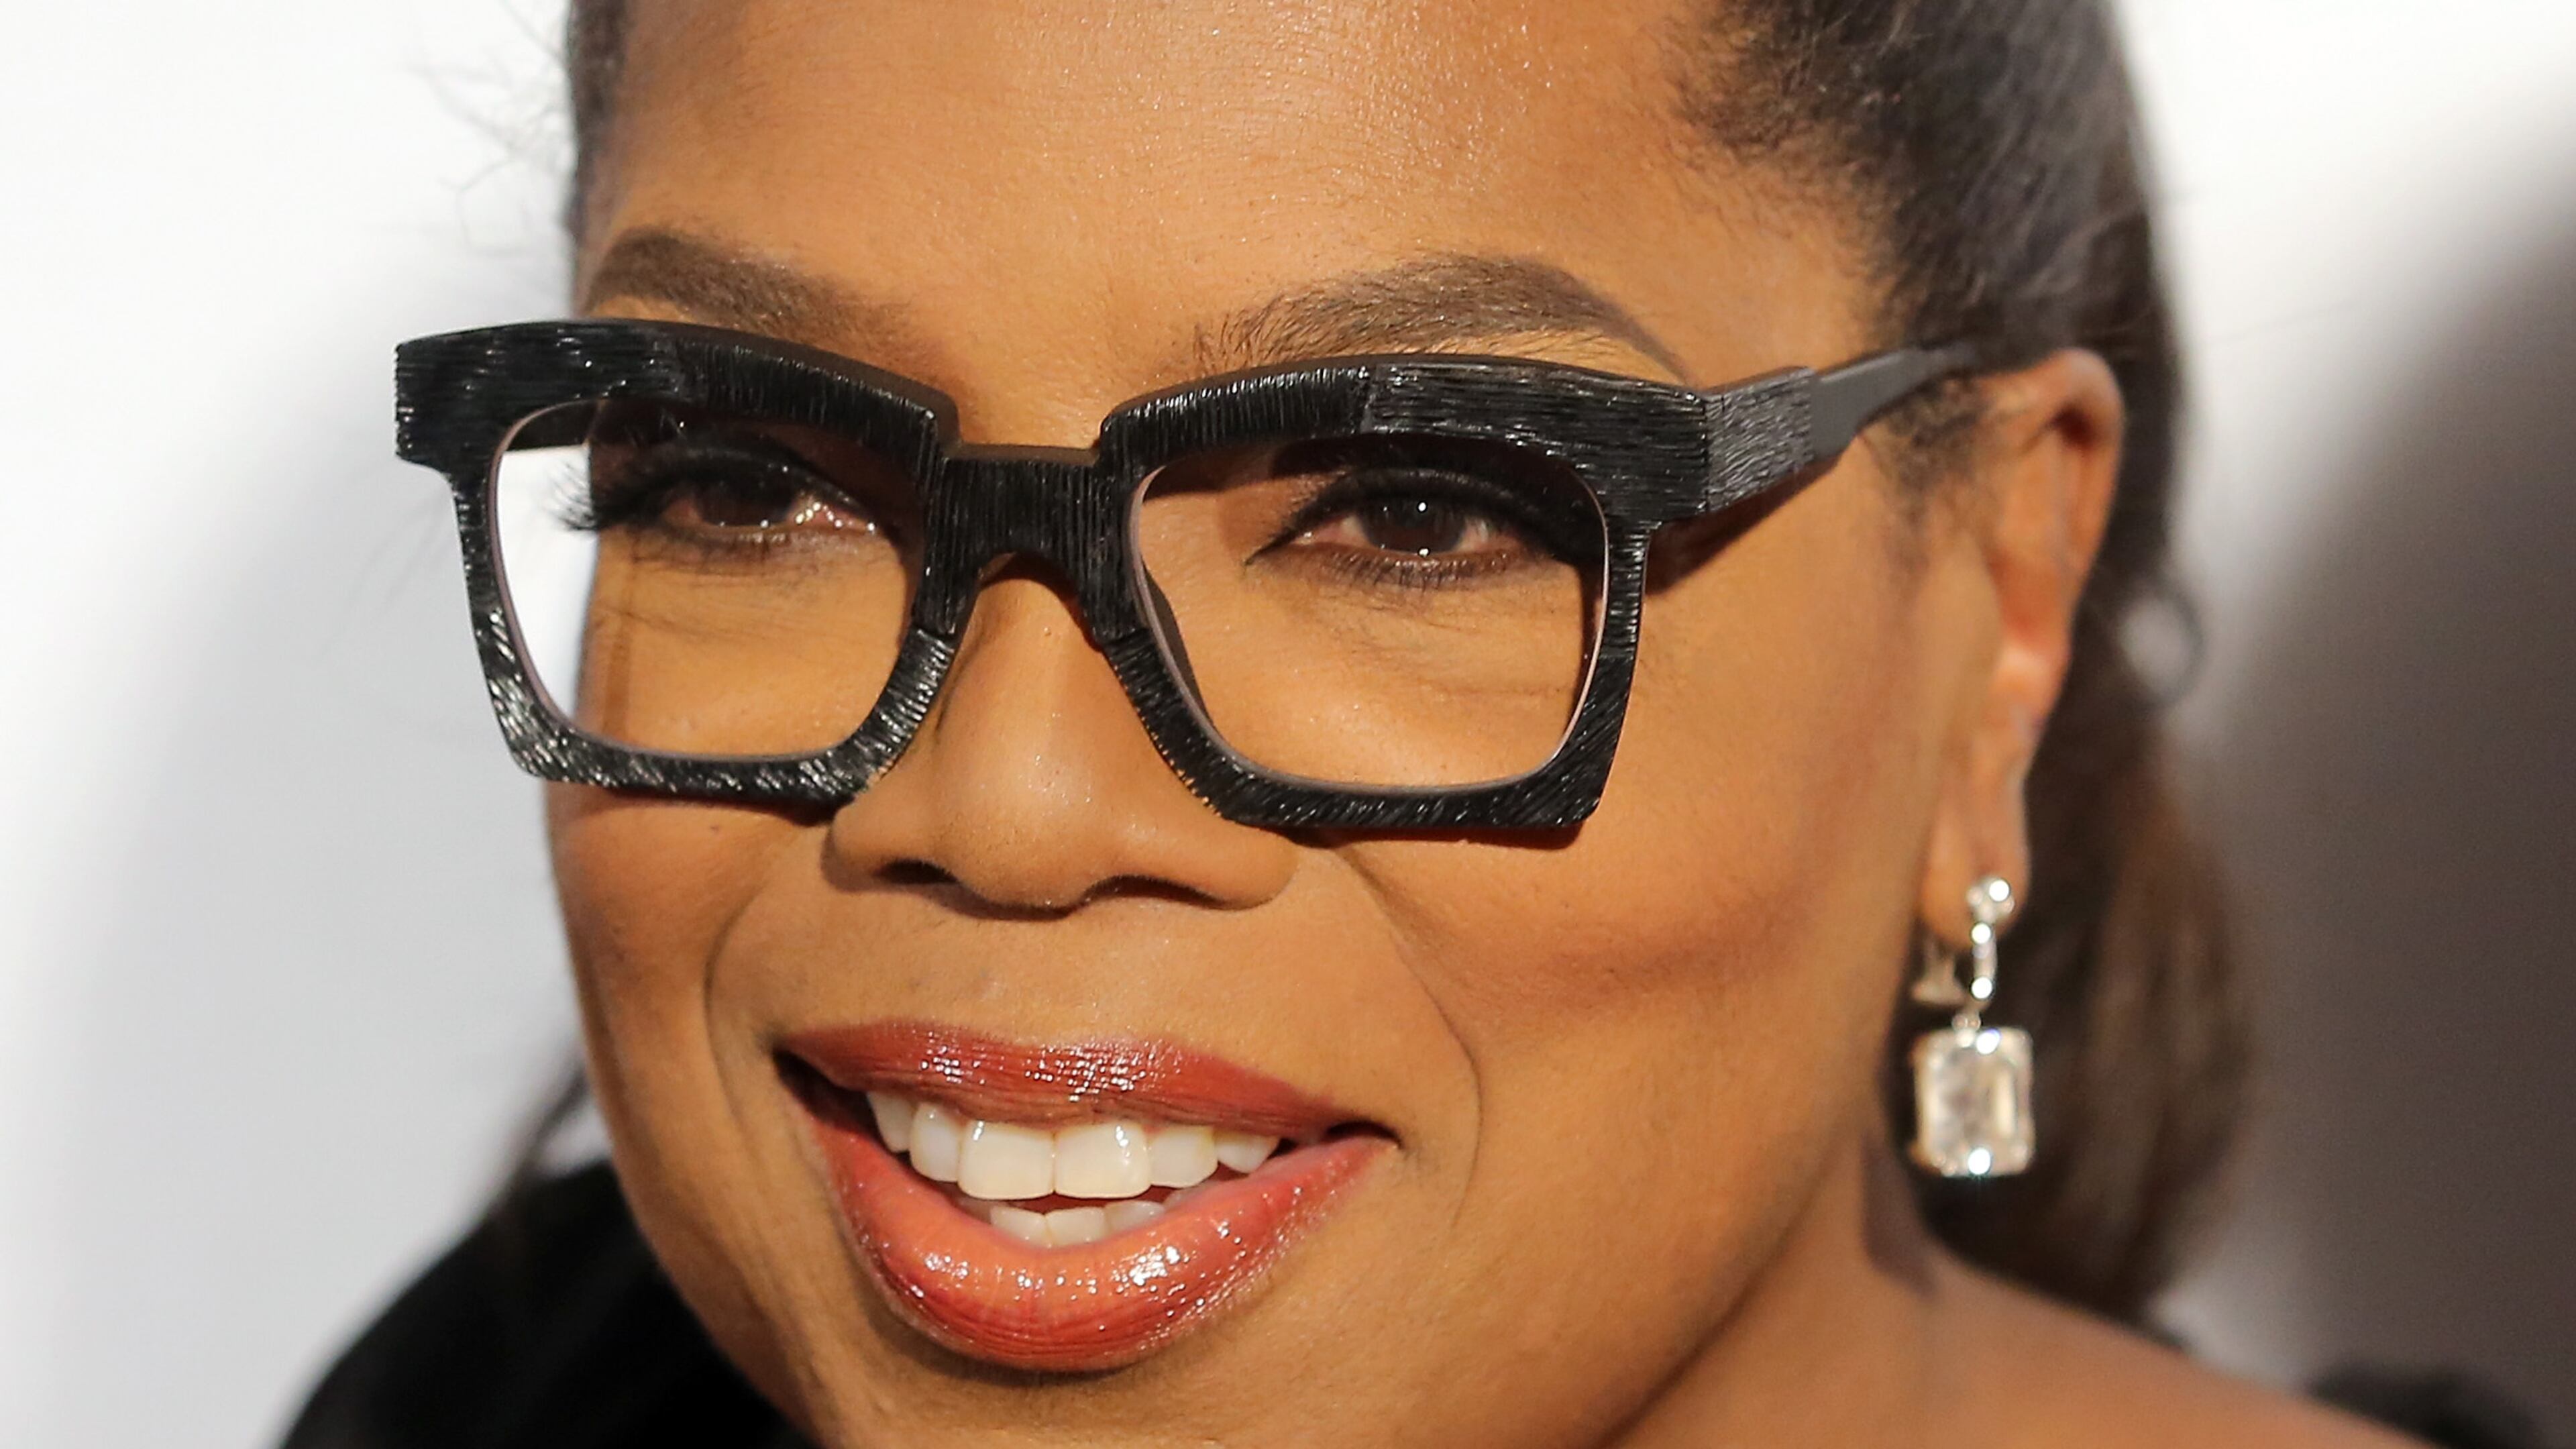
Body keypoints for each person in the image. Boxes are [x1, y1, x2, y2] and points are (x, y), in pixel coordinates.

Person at [286, 2, 2430, 1444]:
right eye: (746, 477)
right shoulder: (501, 1396)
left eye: (1418, 507)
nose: (1012, 804)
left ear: (2000, 610)